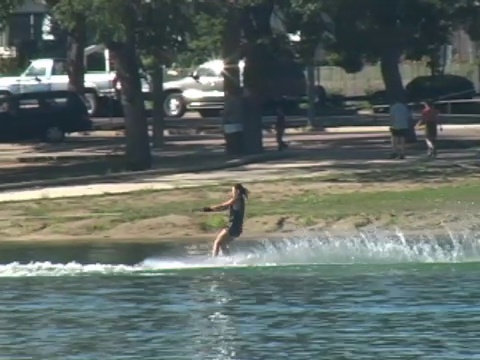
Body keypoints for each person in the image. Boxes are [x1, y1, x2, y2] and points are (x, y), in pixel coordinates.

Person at [203, 183, 248, 257]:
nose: (232, 192)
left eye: (233, 191)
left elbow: (224, 205)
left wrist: (210, 208)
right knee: (223, 244)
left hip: (232, 226)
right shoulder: (240, 200)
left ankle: (213, 260)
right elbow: (223, 208)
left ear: (238, 191)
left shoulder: (237, 199)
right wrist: (211, 210)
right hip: (238, 228)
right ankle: (228, 260)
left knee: (217, 242)